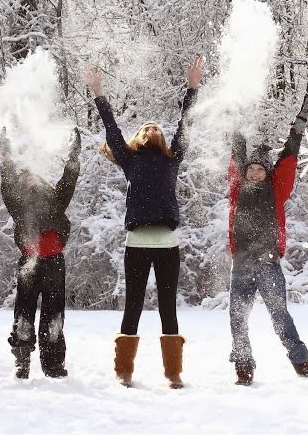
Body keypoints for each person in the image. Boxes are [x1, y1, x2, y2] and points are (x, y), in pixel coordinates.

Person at [84, 56, 204, 388]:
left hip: (167, 245)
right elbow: (111, 127)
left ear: (162, 139)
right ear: (138, 138)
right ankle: (124, 370)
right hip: (136, 245)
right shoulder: (129, 159)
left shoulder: (173, 158)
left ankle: (174, 372)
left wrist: (193, 87)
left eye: (157, 128)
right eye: (146, 128)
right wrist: (98, 92)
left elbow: (186, 123)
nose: (152, 128)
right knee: (133, 306)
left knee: (168, 307)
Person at [227, 93, 308, 385]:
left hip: (267, 262)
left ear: (267, 173)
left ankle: (301, 361)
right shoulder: (237, 186)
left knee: (280, 315)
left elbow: (289, 157)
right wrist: (234, 103)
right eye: (250, 168)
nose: (254, 172)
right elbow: (237, 145)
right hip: (241, 263)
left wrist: (299, 123)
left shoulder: (276, 189)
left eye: (259, 169)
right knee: (238, 318)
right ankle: (243, 366)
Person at [0, 126, 81, 379]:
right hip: (29, 264)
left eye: (34, 176)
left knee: (54, 313)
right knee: (24, 311)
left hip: (54, 263)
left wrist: (74, 155)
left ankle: (53, 365)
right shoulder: (18, 204)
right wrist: (6, 155)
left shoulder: (56, 201)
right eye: (25, 178)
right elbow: (8, 183)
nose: (30, 178)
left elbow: (68, 181)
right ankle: (22, 362)